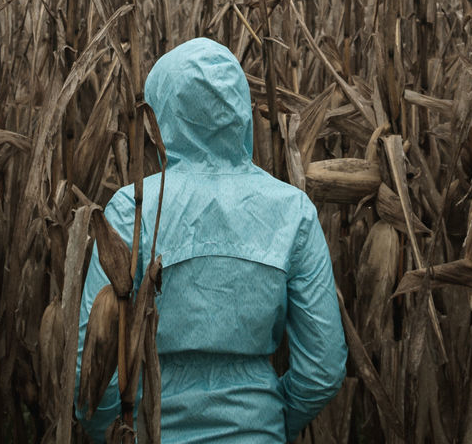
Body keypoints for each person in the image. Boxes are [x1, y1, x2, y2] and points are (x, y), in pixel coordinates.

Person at [76, 36, 347, 442]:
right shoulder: (293, 211)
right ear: (240, 111)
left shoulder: (132, 209)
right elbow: (323, 369)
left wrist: (115, 432)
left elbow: (91, 365)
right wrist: (269, 423)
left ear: (160, 113)